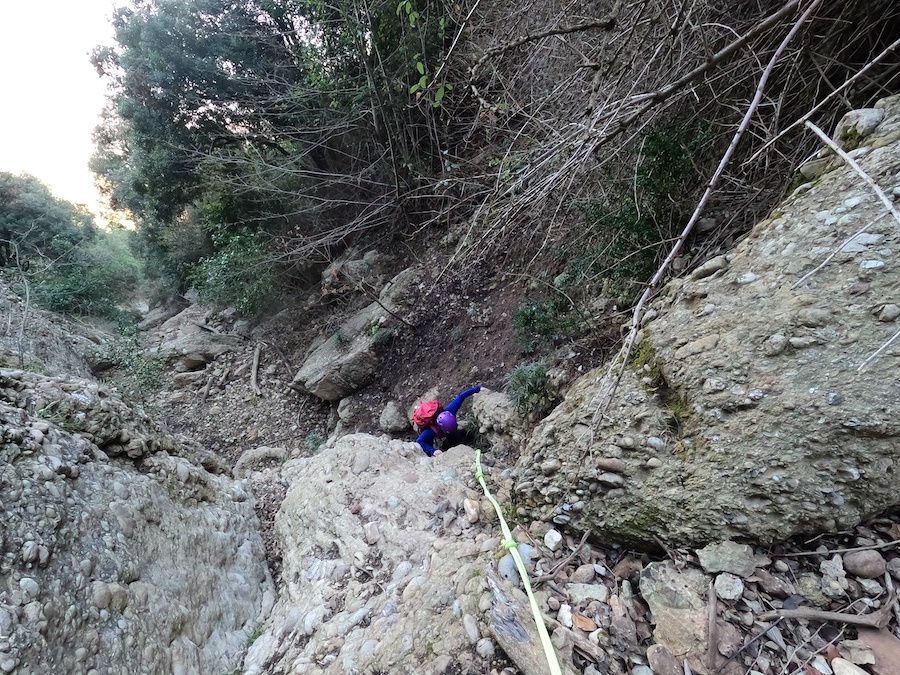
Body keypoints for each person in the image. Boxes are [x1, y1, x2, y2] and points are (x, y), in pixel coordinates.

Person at [414, 386, 481, 456]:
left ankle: (455, 443)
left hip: (446, 429)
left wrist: (478, 389)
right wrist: (433, 451)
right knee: (428, 444)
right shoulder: (431, 431)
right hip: (433, 429)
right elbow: (420, 442)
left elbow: (461, 397)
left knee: (454, 435)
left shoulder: (451, 410)